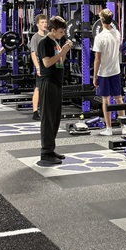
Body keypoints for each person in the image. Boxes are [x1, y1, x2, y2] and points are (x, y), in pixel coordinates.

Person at [36, 16, 73, 165]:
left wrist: (65, 51)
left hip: (57, 83)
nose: (63, 33)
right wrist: (61, 52)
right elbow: (47, 62)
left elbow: (59, 61)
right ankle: (45, 152)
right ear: (53, 30)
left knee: (56, 118)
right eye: (61, 31)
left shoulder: (56, 42)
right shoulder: (44, 43)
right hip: (48, 83)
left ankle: (50, 149)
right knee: (48, 119)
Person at [92, 9, 123, 136]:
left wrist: (94, 77)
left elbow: (97, 59)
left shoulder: (99, 37)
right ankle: (124, 125)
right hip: (116, 70)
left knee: (106, 99)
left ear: (101, 20)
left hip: (104, 72)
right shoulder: (117, 33)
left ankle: (109, 128)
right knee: (119, 98)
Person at [29, 13, 48, 122]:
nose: (44, 24)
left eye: (45, 22)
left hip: (48, 65)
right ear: (37, 25)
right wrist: (37, 67)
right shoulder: (35, 38)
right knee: (38, 88)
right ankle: (35, 112)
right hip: (40, 66)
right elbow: (33, 54)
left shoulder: (48, 35)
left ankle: (45, 110)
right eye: (42, 22)